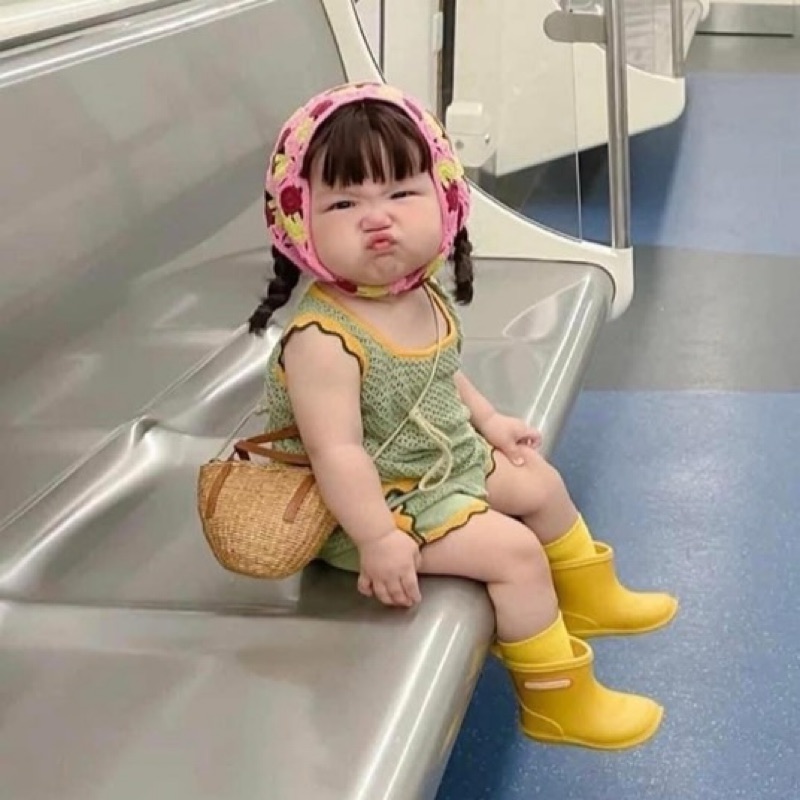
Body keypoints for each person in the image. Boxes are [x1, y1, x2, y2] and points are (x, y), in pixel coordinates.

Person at [247, 81, 678, 750]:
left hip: (437, 462)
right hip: (375, 506)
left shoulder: (414, 292)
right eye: (344, 202)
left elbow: (441, 372)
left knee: (538, 482)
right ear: (300, 221)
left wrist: (490, 422)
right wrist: (377, 539)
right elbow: (338, 454)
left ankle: (590, 598)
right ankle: (557, 699)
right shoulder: (322, 341)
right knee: (515, 553)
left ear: (443, 196)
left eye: (401, 192)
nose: (377, 218)